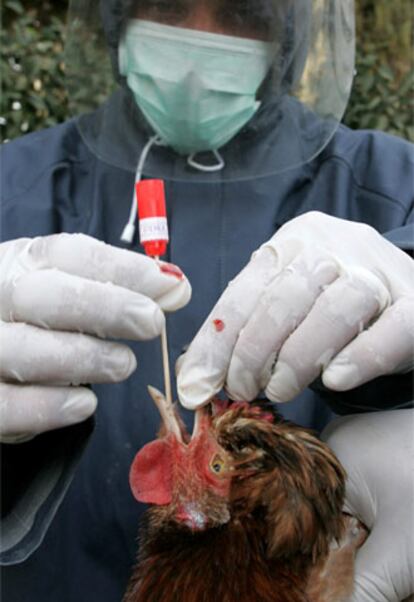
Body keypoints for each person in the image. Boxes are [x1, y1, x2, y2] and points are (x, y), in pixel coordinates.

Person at [1, 0, 413, 600]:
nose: (200, 43)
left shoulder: (390, 184)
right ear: (117, 18)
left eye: (243, 14)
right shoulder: (13, 186)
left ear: (289, 36)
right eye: (167, 5)